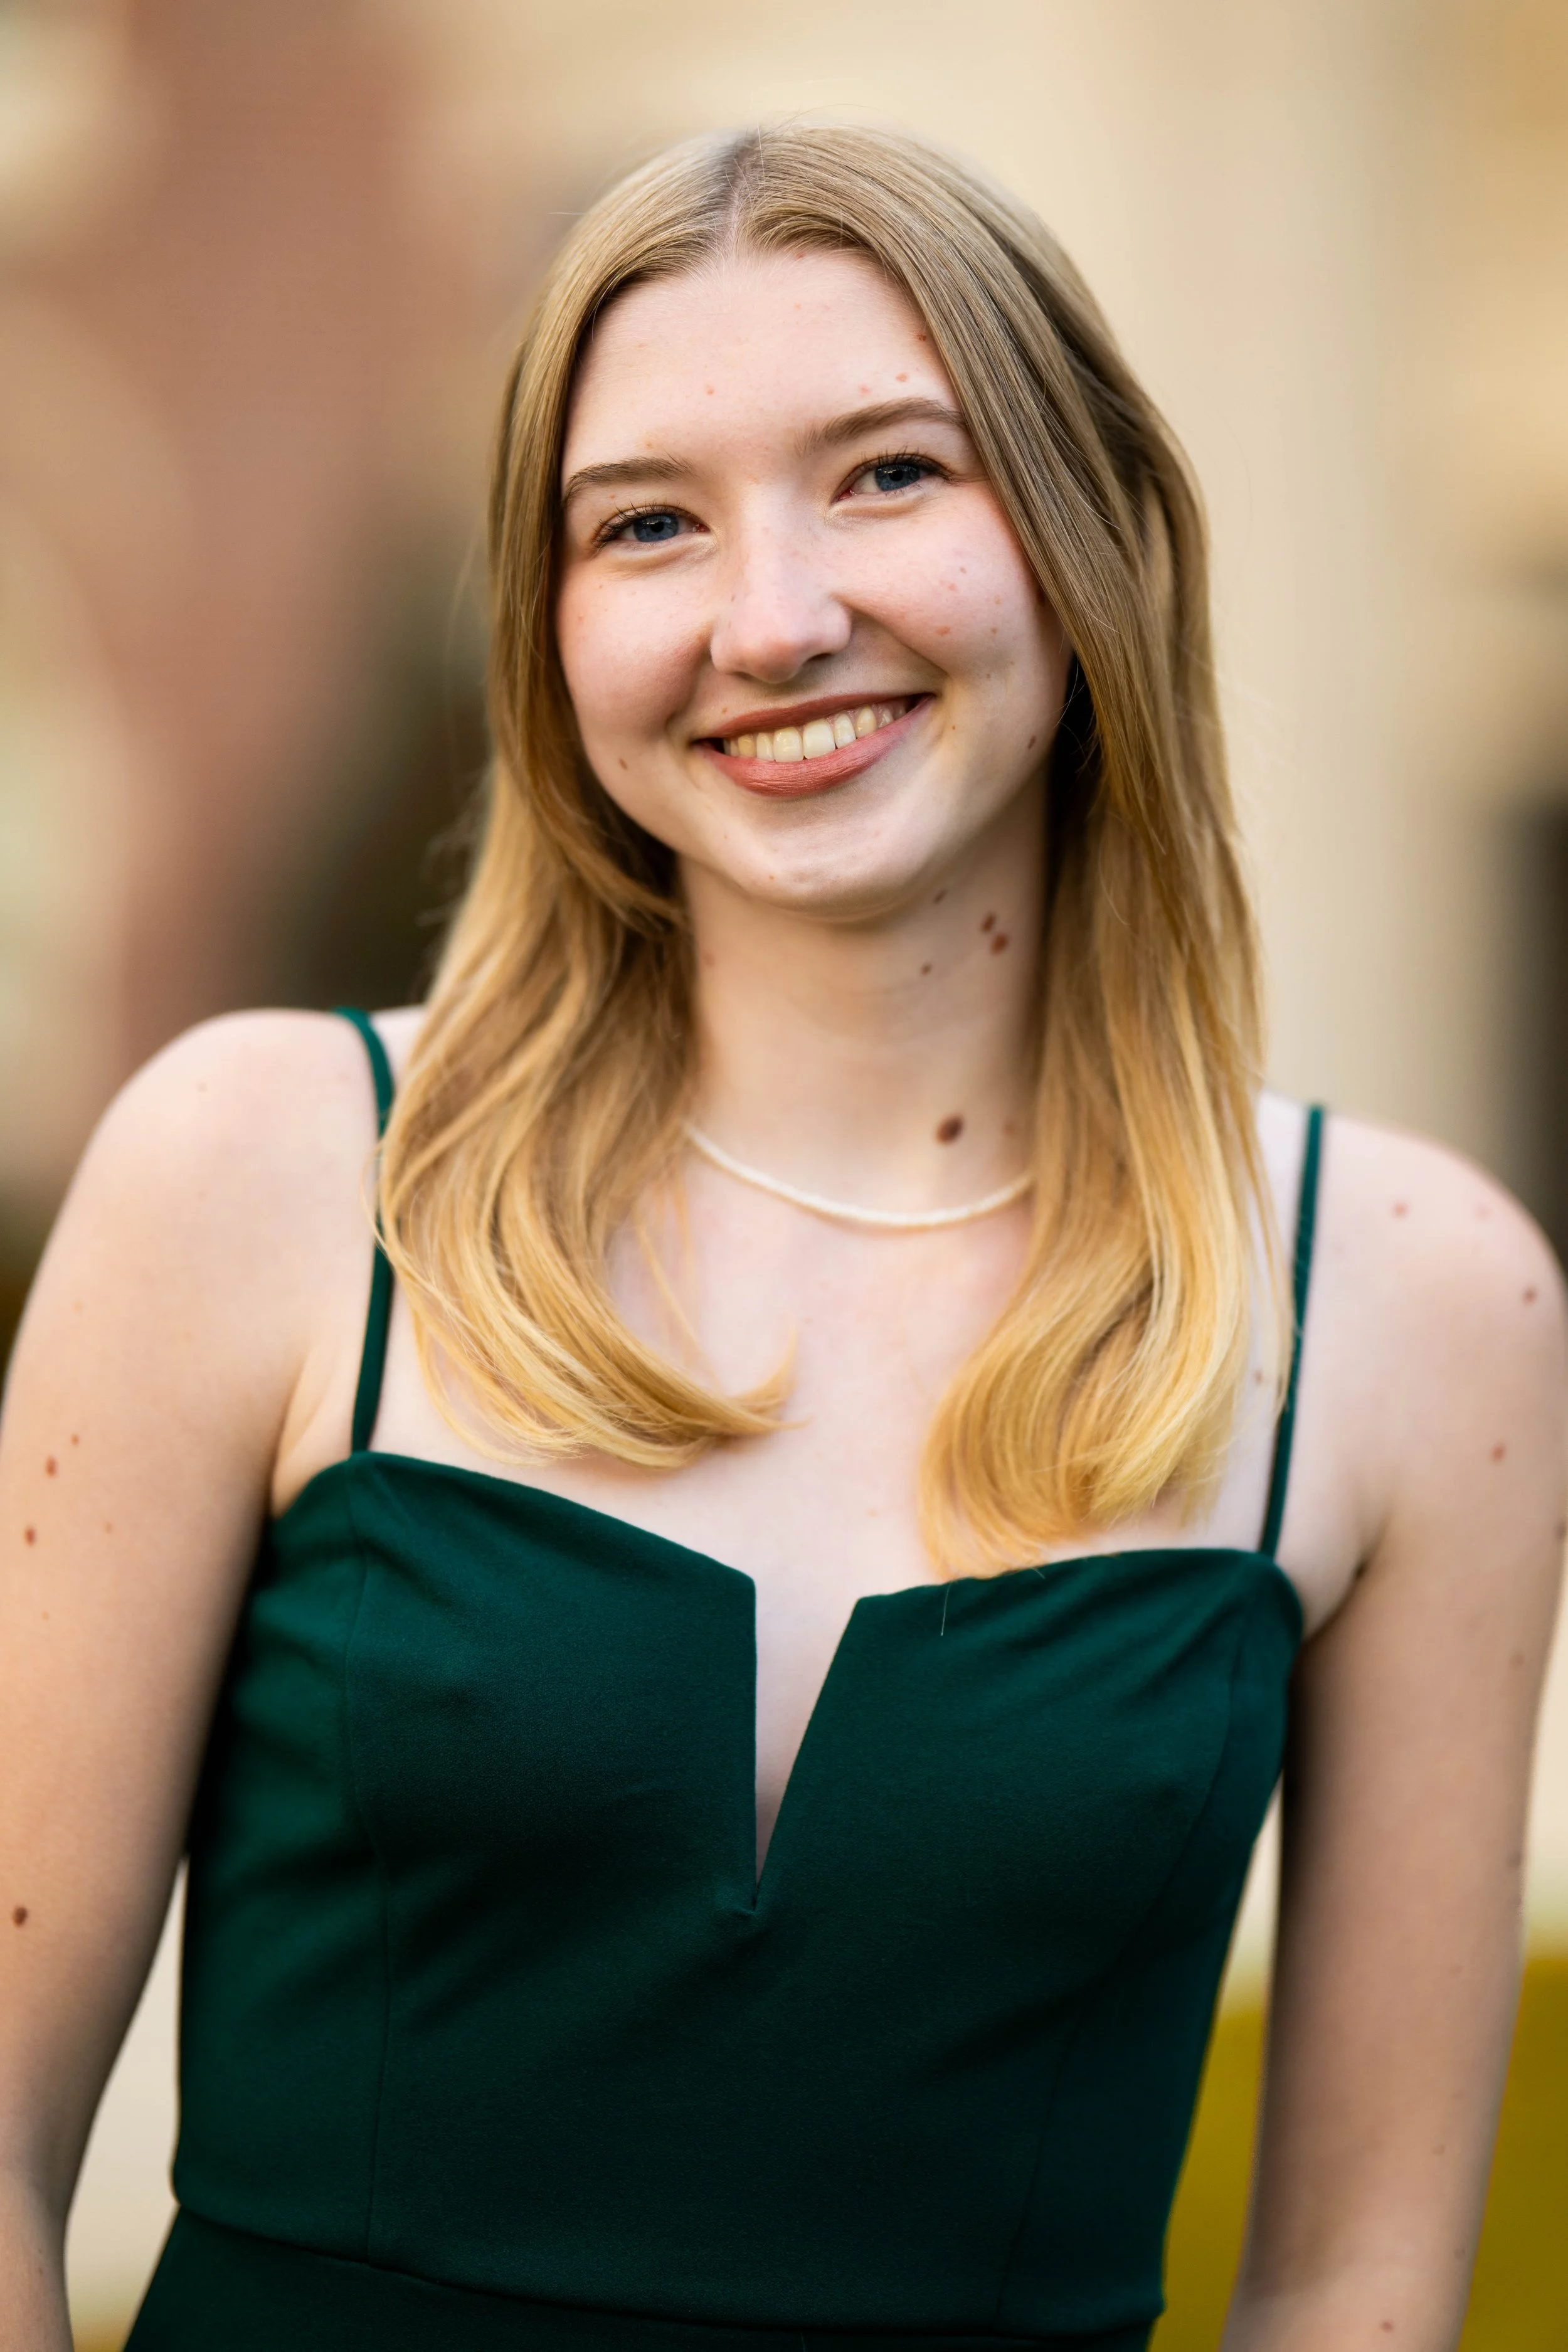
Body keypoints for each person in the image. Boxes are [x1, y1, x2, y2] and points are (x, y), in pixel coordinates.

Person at [1, 122, 1563, 2352]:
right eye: (645, 523)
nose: (771, 617)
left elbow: (1354, 2284)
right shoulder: (261, 1173)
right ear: (548, 633)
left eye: (890, 474)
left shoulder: (1413, 1297)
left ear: (1092, 531)